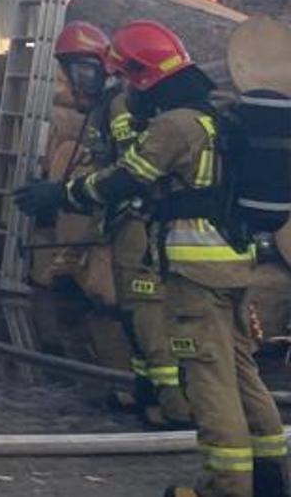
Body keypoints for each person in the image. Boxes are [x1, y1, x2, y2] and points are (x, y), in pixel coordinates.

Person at [20, 21, 285, 497]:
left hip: (193, 271)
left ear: (142, 78)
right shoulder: (215, 115)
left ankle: (225, 486)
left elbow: (124, 179)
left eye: (126, 78)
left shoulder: (174, 126)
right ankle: (269, 477)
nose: (122, 88)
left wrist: (59, 193)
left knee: (208, 377)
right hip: (234, 264)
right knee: (242, 370)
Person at [55, 21, 191, 427]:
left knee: (148, 314)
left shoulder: (120, 105)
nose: (78, 81)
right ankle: (146, 389)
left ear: (102, 68)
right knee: (132, 313)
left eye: (83, 70)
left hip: (140, 222)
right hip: (123, 222)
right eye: (71, 71)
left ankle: (176, 407)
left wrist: (71, 194)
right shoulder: (105, 107)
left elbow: (132, 170)